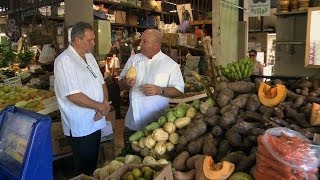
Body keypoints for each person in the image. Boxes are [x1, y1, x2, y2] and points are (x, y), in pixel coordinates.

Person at [54, 22, 111, 175]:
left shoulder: (89, 57)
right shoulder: (64, 61)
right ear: (77, 40)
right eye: (89, 40)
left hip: (97, 118)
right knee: (83, 167)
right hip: (81, 124)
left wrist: (104, 103)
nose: (93, 44)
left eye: (93, 39)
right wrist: (100, 106)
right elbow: (74, 96)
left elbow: (101, 82)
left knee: (92, 162)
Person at [119, 29, 184, 146]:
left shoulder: (170, 65)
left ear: (156, 44)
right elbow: (120, 83)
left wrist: (160, 90)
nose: (140, 44)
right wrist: (126, 83)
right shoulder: (133, 59)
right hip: (132, 123)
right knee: (127, 157)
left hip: (156, 127)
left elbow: (179, 90)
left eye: (144, 41)